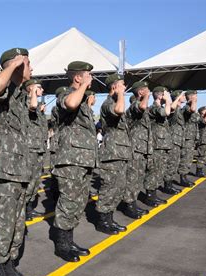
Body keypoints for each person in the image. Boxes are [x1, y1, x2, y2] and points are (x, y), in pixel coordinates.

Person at [0, 48, 36, 276]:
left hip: (20, 173)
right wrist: (15, 63)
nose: (32, 69)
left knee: (16, 226)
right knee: (3, 227)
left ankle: (10, 268)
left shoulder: (20, 98)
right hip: (2, 174)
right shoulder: (2, 94)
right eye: (28, 64)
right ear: (14, 66)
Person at [51, 61, 96, 261]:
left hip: (84, 160)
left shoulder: (83, 102)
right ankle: (61, 245)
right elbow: (70, 104)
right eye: (88, 74)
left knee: (78, 203)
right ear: (78, 77)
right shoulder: (66, 95)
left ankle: (69, 241)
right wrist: (84, 86)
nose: (91, 78)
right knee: (68, 202)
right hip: (70, 160)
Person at [95, 73, 131, 235]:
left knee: (118, 187)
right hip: (111, 152)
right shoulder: (108, 103)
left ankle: (109, 218)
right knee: (109, 187)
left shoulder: (116, 101)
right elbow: (118, 110)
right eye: (122, 85)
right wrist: (121, 94)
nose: (125, 87)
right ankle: (102, 220)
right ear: (114, 86)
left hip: (121, 152)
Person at [122, 81, 152, 218]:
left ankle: (133, 203)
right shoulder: (134, 105)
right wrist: (146, 96)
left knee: (138, 178)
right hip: (135, 148)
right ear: (140, 92)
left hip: (142, 148)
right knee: (132, 179)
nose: (149, 92)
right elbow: (142, 106)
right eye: (146, 90)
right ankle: (129, 205)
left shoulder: (142, 107)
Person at [23, 79, 47, 221]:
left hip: (38, 147)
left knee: (36, 181)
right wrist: (32, 93)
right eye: (39, 87)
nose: (42, 90)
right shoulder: (26, 102)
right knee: (29, 180)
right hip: (30, 148)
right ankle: (24, 209)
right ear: (31, 88)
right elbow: (31, 107)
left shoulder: (37, 107)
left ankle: (29, 208)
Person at [144, 86, 171, 207]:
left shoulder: (159, 107)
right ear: (160, 96)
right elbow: (166, 112)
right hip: (156, 144)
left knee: (159, 171)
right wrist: (168, 100)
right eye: (166, 94)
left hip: (161, 144)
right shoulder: (154, 107)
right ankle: (149, 196)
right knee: (154, 170)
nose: (167, 96)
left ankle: (153, 194)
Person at [165, 90, 187, 194]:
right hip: (173, 141)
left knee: (175, 163)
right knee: (171, 164)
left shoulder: (180, 109)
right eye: (183, 95)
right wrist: (178, 98)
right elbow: (171, 108)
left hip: (178, 141)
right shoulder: (174, 108)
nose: (184, 97)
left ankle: (169, 184)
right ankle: (167, 186)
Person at [196, 106, 206, 177]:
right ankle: (198, 171)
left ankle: (200, 170)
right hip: (202, 140)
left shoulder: (205, 118)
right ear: (202, 112)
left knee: (205, 155)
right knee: (202, 156)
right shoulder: (200, 118)